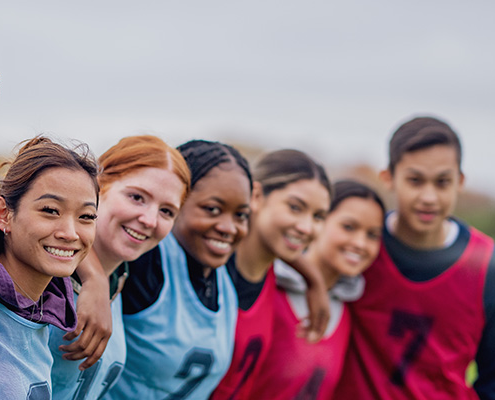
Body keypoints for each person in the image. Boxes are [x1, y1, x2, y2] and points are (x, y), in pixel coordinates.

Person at [334, 116, 495, 399]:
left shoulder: (491, 268)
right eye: (415, 180)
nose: (429, 196)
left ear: (459, 182)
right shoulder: (359, 248)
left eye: (442, 182)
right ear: (388, 178)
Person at [0, 136, 100, 399]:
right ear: (3, 214)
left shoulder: (45, 311)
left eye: (86, 217)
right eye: (50, 210)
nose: (70, 232)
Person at [49, 135, 191, 400]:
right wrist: (94, 277)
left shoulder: (120, 281)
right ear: (98, 188)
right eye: (137, 197)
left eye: (167, 211)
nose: (149, 220)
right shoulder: (45, 269)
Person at [106, 140, 251, 399]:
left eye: (240, 215)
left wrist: (313, 278)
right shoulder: (146, 257)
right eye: (212, 209)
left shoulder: (225, 270)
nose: (229, 227)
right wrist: (94, 276)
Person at [210, 149, 331, 400]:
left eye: (318, 216)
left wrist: (314, 279)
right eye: (295, 207)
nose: (306, 227)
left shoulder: (270, 276)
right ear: (256, 195)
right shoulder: (210, 267)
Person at [256, 180, 385, 399]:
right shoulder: (269, 287)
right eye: (349, 227)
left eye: (372, 235)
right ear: (320, 220)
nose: (360, 243)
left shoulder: (348, 310)